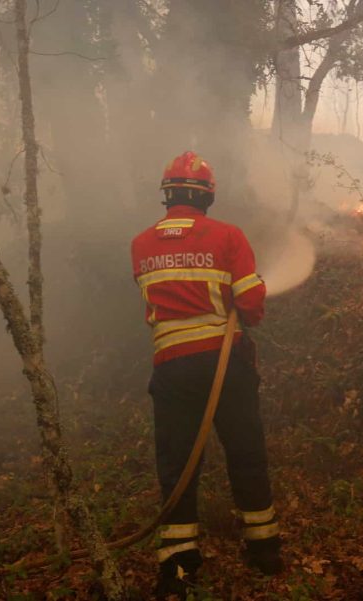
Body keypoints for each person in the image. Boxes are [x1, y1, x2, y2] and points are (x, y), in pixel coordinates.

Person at [130, 151, 283, 597]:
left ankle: (178, 566)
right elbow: (250, 304)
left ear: (166, 195)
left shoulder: (140, 244)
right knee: (245, 452)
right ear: (208, 196)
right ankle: (265, 551)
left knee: (177, 464)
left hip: (171, 369)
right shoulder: (228, 236)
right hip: (224, 365)